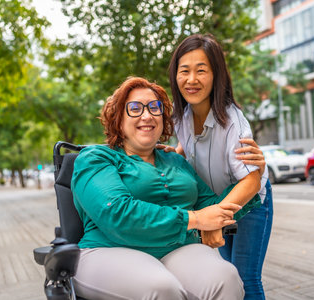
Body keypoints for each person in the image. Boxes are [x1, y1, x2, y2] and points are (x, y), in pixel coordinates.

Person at [71, 77, 261, 300]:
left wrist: (251, 176)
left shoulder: (176, 161)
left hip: (177, 248)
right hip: (108, 250)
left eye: (155, 107)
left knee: (225, 279)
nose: (147, 115)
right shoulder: (96, 158)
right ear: (118, 119)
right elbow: (117, 213)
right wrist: (195, 219)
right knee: (161, 288)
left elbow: (209, 206)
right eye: (134, 108)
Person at [168, 33, 274, 299]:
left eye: (201, 71)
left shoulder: (233, 124)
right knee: (229, 273)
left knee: (246, 279)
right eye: (184, 71)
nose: (191, 80)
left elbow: (250, 180)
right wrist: (178, 153)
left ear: (216, 76)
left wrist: (215, 218)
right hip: (217, 201)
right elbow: (187, 142)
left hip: (249, 201)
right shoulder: (182, 115)